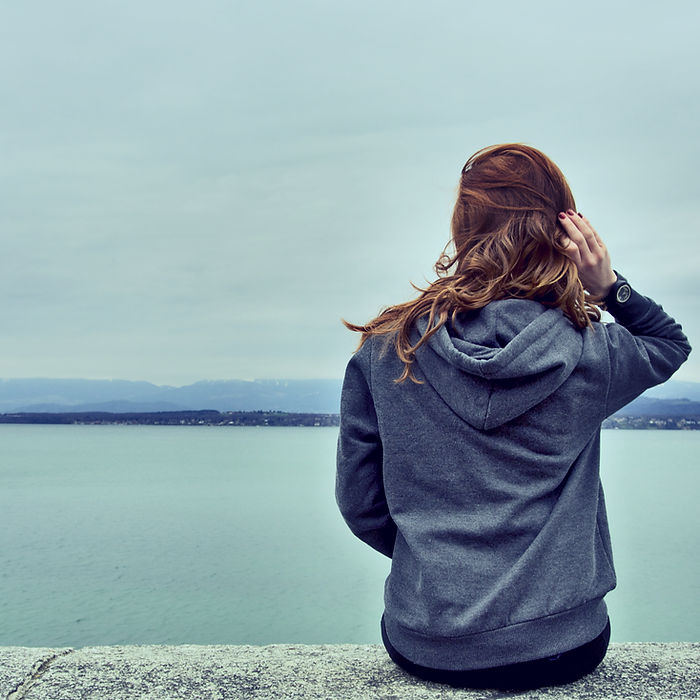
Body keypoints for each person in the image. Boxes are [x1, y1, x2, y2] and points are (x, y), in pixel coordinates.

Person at [335, 144, 691, 690]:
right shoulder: (589, 349)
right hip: (561, 647)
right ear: (562, 231)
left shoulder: (389, 351)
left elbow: (360, 502)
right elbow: (668, 344)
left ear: (461, 228)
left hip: (427, 645)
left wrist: (431, 557)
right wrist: (608, 287)